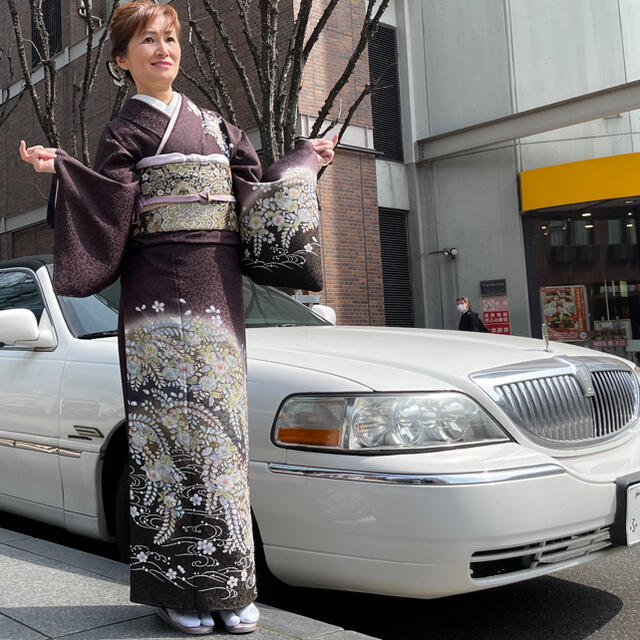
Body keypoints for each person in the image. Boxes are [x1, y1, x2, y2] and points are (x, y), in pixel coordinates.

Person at [19, 0, 335, 634]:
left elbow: (257, 195)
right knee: (169, 447)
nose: (162, 50)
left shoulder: (218, 128)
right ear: (120, 60)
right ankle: (178, 592)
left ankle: (230, 586)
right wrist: (66, 174)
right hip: (156, 307)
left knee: (223, 444)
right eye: (145, 42)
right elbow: (106, 207)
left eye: (169, 38)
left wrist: (302, 162)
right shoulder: (123, 132)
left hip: (218, 301)